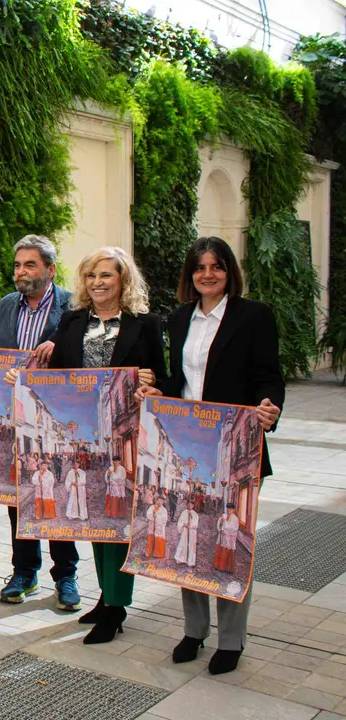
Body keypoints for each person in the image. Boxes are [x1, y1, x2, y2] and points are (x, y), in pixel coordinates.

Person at [140, 237, 284, 675]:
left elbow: (268, 376)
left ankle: (231, 639)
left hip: (235, 446)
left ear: (229, 271)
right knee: (191, 543)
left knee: (230, 544)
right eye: (200, 267)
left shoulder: (254, 316)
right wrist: (155, 387)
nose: (208, 274)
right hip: (187, 445)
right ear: (190, 275)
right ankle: (194, 629)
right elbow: (179, 380)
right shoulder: (180, 318)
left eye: (216, 266)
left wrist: (268, 408)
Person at [29, 245, 165, 644]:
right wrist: (22, 380)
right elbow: (52, 376)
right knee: (95, 518)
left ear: (123, 280)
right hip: (83, 438)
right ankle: (106, 596)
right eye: (91, 275)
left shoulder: (145, 323)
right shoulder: (71, 322)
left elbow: (165, 381)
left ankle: (117, 606)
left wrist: (151, 384)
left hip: (128, 437)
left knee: (120, 518)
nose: (98, 282)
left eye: (106, 275)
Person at [0, 235, 80, 611]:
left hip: (54, 416)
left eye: (30, 265)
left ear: (50, 269)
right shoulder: (7, 305)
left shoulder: (73, 307)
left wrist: (61, 349)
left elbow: (84, 356)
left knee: (54, 493)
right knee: (19, 494)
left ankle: (66, 574)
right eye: (18, 265)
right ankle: (25, 571)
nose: (21, 272)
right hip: (13, 415)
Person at [213, 506, 239, 572]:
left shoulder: (235, 519)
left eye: (230, 509)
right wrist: (220, 522)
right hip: (223, 536)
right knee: (221, 550)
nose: (228, 510)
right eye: (228, 509)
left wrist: (224, 523)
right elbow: (220, 525)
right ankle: (218, 565)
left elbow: (232, 528)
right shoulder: (224, 515)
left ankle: (226, 567)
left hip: (229, 538)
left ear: (233, 510)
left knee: (227, 551)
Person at [175, 498, 199, 567]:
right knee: (183, 543)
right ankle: (181, 558)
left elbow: (196, 524)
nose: (190, 506)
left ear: (193, 505)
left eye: (191, 504)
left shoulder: (195, 514)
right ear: (186, 505)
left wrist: (190, 525)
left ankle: (190, 560)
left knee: (191, 545)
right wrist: (184, 524)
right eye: (188, 504)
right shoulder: (184, 512)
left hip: (191, 532)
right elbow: (180, 521)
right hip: (185, 531)